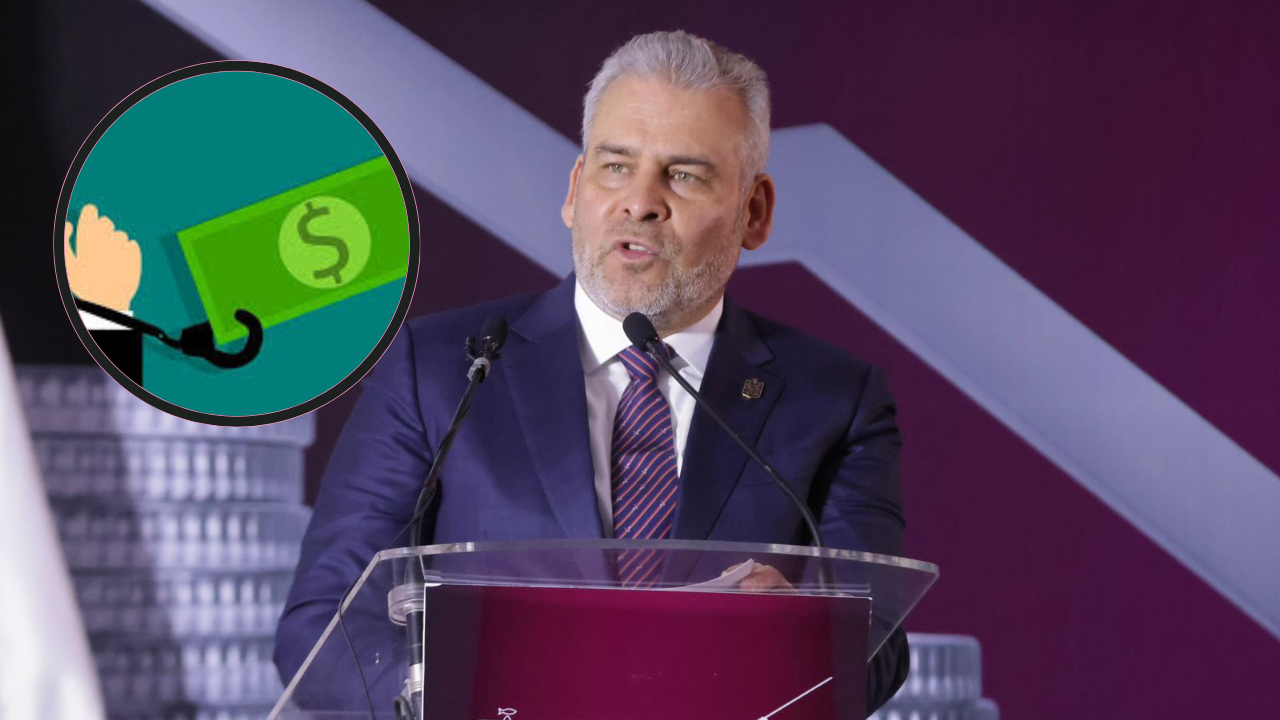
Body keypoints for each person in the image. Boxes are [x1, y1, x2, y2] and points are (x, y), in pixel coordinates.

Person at [276, 30, 910, 715]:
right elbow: (323, 630)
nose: (640, 202)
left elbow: (877, 645)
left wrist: (795, 642)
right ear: (576, 190)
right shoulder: (438, 369)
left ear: (753, 212)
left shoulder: (835, 399)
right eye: (616, 166)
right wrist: (458, 689)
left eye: (684, 175)